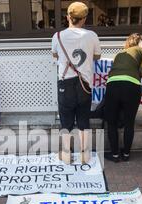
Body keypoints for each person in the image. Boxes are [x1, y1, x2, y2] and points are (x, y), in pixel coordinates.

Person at [51, 2, 101, 164]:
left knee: (66, 122)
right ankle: (85, 157)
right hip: (84, 84)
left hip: (65, 84)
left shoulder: (57, 36)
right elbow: (97, 56)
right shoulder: (92, 35)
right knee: (83, 122)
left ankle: (66, 156)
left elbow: (55, 55)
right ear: (84, 19)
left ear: (68, 17)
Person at [104, 34, 142, 163]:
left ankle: (114, 155)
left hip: (113, 85)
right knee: (129, 123)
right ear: (141, 43)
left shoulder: (119, 53)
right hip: (132, 87)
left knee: (111, 123)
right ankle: (126, 154)